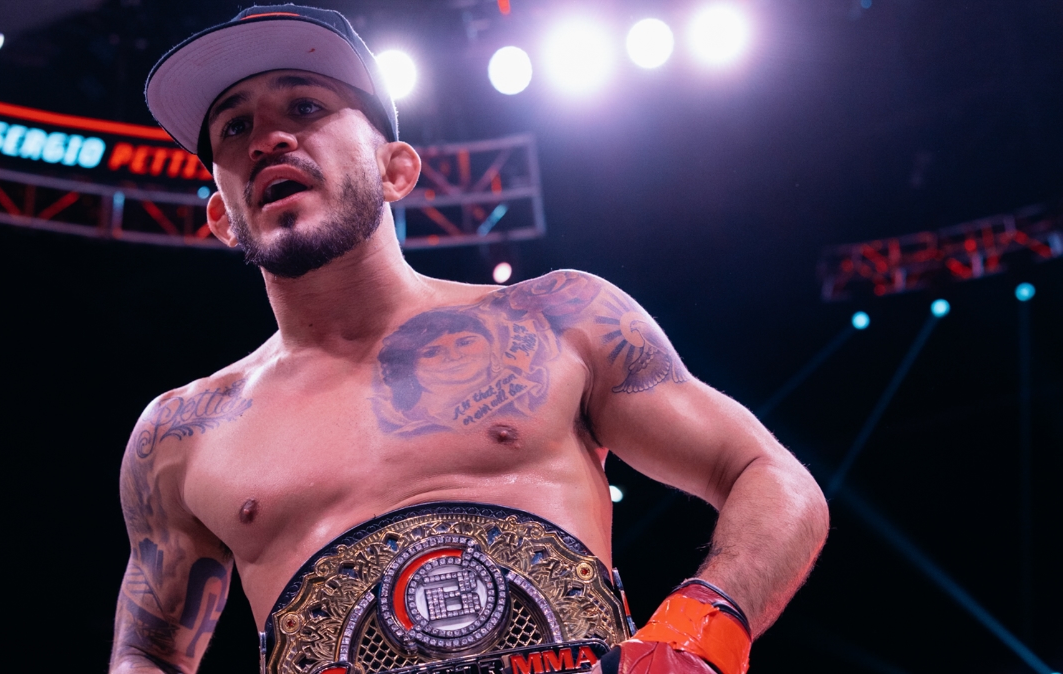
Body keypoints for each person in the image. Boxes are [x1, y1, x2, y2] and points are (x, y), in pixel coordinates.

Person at [112, 6, 829, 674]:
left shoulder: (557, 320)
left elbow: (769, 476)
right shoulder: (183, 433)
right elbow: (145, 654)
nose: (267, 139)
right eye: (234, 127)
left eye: (304, 107)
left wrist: (697, 633)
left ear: (396, 170)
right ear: (222, 217)